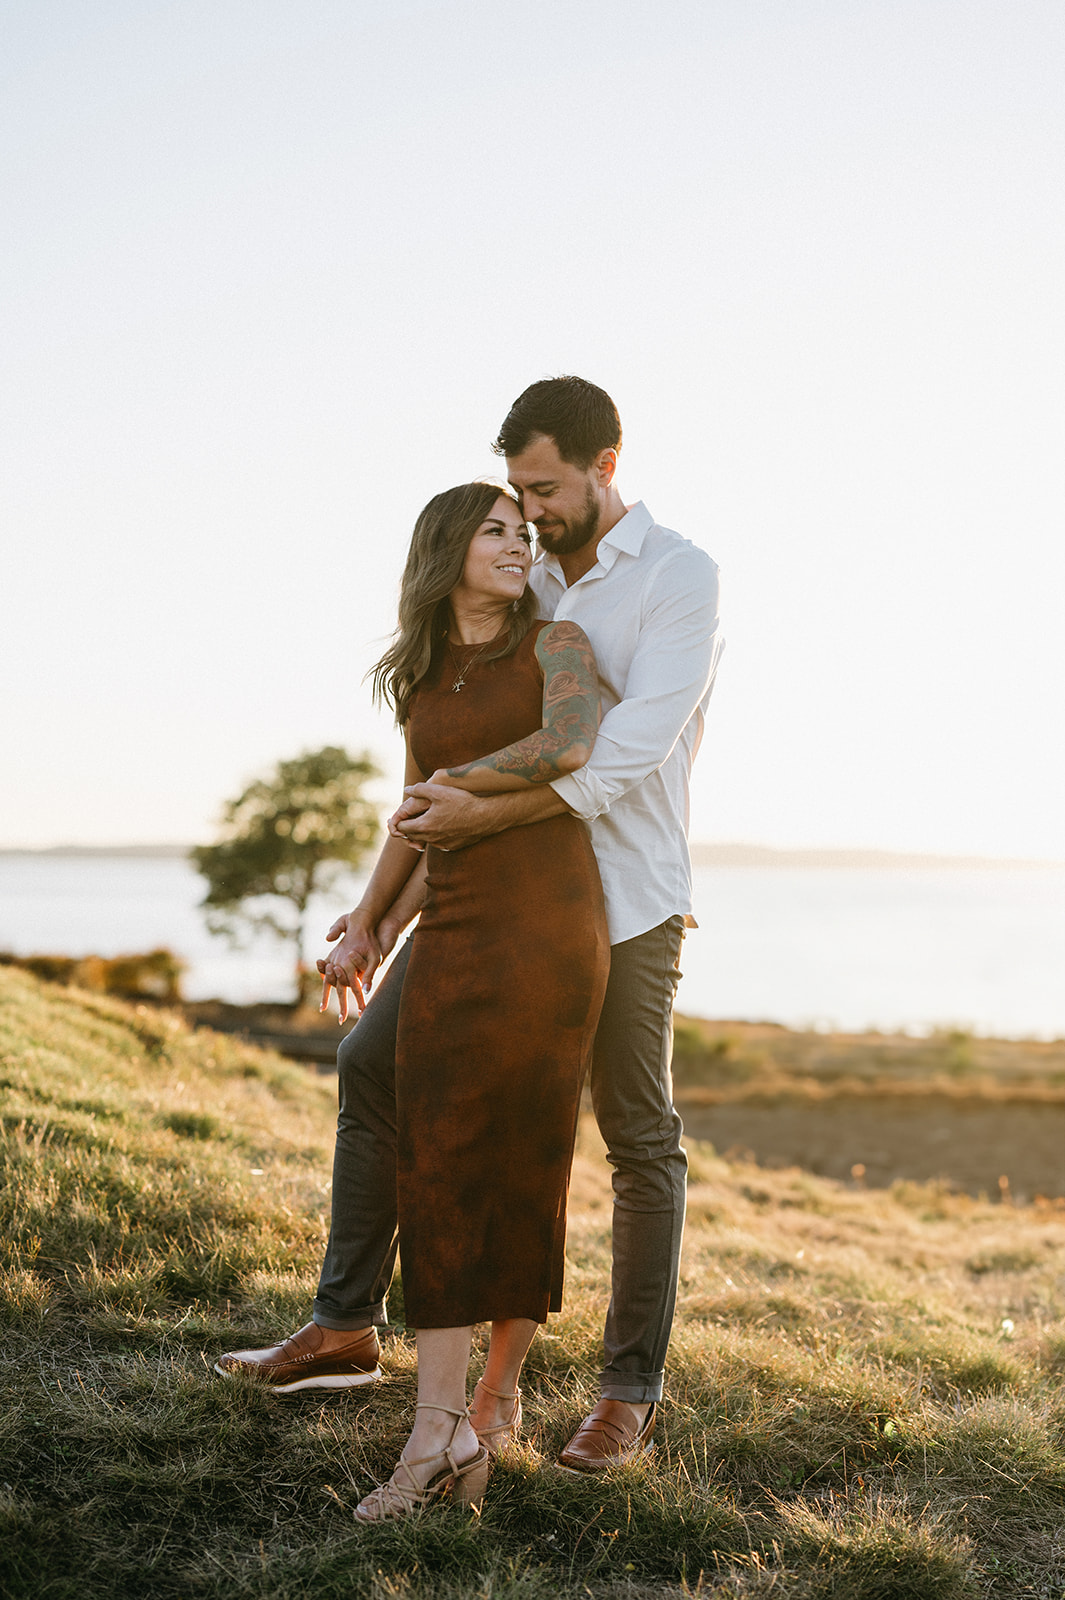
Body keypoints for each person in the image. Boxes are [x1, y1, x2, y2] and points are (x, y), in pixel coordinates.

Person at [217, 376, 723, 1475]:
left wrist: (474, 799)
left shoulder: (680, 578)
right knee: (372, 1064)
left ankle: (625, 1392)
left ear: (605, 465)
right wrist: (378, 912)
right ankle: (347, 1320)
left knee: (633, 1136)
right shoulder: (525, 571)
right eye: (517, 497)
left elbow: (619, 752)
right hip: (497, 901)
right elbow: (440, 759)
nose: (530, 514)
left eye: (543, 490)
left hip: (627, 900)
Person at [220, 480, 609, 1522]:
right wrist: (368, 920)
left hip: (546, 923)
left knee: (518, 1154)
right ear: (445, 549)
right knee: (419, 1127)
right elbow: (416, 814)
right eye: (495, 530)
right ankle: (419, 1405)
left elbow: (570, 747)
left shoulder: (558, 642)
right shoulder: (424, 674)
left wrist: (462, 783)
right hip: (458, 916)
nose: (518, 544)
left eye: (522, 531)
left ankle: (480, 1406)